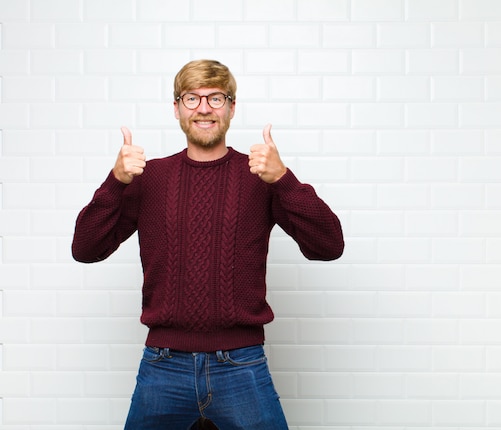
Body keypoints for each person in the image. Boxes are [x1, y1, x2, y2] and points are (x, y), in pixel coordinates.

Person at [72, 59, 344, 430]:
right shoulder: (148, 178)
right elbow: (85, 248)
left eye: (216, 98)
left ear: (232, 108)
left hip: (241, 363)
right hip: (163, 365)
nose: (203, 108)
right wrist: (115, 182)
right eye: (192, 98)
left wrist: (283, 178)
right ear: (177, 109)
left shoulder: (260, 176)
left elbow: (329, 244)